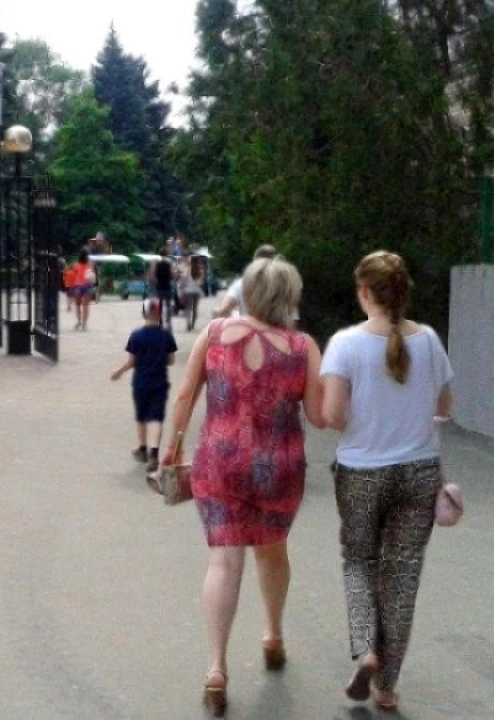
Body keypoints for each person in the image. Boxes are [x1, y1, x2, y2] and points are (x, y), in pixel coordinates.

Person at [164, 256, 326, 717]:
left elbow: (185, 394)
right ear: (289, 298)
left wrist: (170, 447)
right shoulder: (302, 347)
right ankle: (273, 635)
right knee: (272, 552)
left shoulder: (215, 334)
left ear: (249, 293)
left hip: (219, 462)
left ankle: (216, 669)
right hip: (279, 468)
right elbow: (318, 416)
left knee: (223, 560)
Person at [320, 251, 453, 713]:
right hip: (419, 473)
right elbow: (445, 406)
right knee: (402, 578)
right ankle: (387, 687)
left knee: (359, 562)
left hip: (360, 472)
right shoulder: (429, 341)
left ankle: (365, 649)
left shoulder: (345, 344)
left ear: (364, 293)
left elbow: (332, 416)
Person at [110, 298, 178, 475]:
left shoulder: (136, 335)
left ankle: (142, 449)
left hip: (140, 382)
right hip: (160, 382)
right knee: (156, 417)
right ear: (160, 314)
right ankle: (154, 453)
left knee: (141, 416)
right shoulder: (166, 335)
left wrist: (119, 371)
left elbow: (131, 362)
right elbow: (171, 360)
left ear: (143, 313)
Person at [215, 244, 279, 318]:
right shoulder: (283, 284)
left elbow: (224, 311)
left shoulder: (241, 284)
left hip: (248, 324)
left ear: (254, 262)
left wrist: (238, 322)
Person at [69, 251, 97, 330]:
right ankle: (84, 324)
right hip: (88, 286)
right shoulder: (90, 265)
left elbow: (72, 276)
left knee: (77, 305)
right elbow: (94, 276)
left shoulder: (75, 265)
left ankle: (78, 322)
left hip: (77, 286)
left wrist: (71, 287)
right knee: (86, 306)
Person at [149, 247, 175, 329]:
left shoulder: (156, 263)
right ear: (167, 254)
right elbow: (173, 274)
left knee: (159, 305)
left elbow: (152, 275)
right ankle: (168, 322)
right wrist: (171, 278)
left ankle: (160, 322)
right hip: (167, 286)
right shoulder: (170, 262)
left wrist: (157, 281)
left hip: (159, 286)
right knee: (168, 305)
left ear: (159, 254)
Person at [178, 258, 205, 331]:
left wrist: (181, 289)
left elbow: (182, 281)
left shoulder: (187, 270)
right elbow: (201, 283)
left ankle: (188, 323)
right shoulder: (200, 271)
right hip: (196, 292)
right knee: (195, 309)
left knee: (188, 308)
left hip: (188, 292)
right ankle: (193, 324)